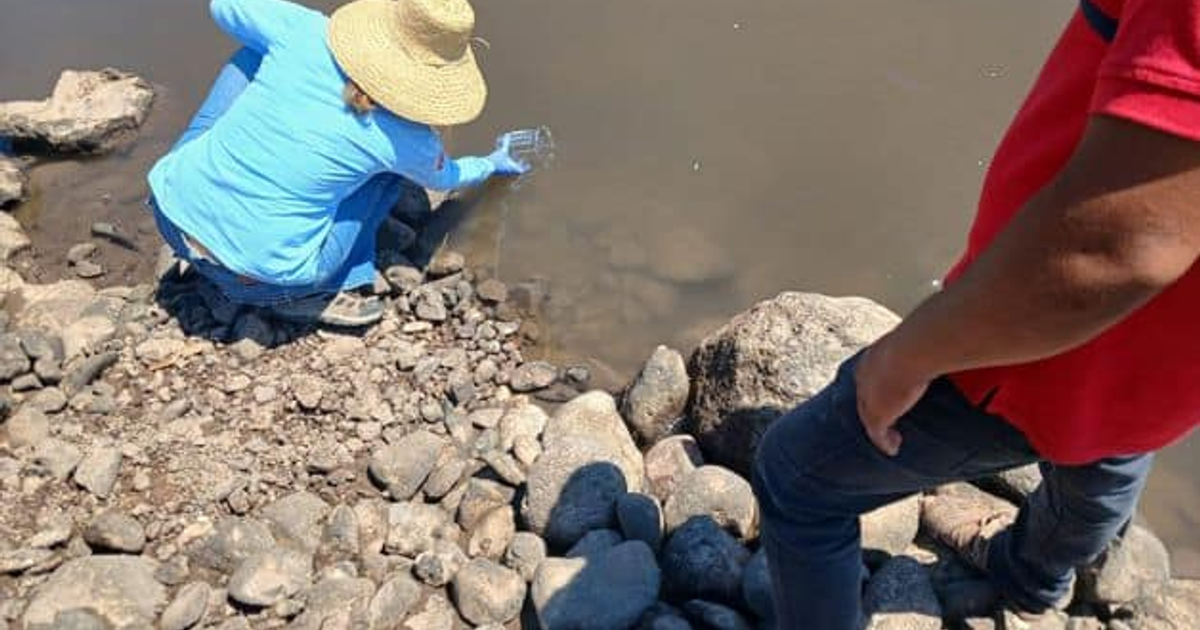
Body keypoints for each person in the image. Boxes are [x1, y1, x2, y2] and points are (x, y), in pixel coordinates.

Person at [751, 1, 1199, 628]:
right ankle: (1033, 577)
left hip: (1029, 355)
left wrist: (909, 355)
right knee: (1109, 456)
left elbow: (1114, 251)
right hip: (1168, 373)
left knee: (796, 478)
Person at [147, 0, 530, 327]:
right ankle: (317, 292)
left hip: (168, 212)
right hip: (256, 278)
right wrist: (493, 162)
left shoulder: (306, 31)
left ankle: (206, 202)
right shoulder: (411, 141)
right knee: (387, 179)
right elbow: (448, 177)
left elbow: (224, 7)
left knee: (253, 53)